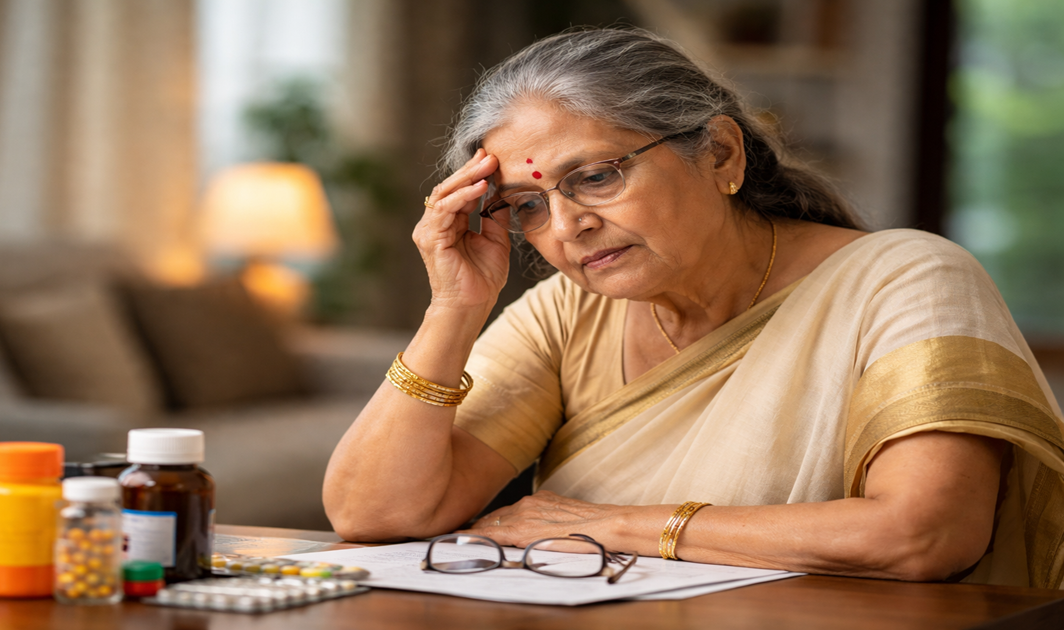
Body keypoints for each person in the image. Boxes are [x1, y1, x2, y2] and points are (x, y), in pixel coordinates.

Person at [322, 27, 1064, 588]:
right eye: (527, 206)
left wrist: (612, 526)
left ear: (720, 156)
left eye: (598, 177)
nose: (567, 225)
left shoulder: (904, 280)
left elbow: (924, 534)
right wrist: (454, 305)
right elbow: (374, 514)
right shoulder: (564, 316)